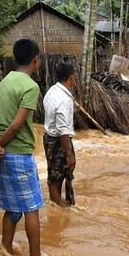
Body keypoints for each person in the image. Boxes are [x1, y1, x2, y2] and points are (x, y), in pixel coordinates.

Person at [0, 39, 46, 256]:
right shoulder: (30, 86)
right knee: (32, 207)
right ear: (35, 60)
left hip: (2, 156)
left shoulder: (3, 84)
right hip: (19, 154)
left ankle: (6, 250)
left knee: (11, 207)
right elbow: (16, 126)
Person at [43, 62, 77, 206]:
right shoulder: (63, 98)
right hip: (59, 141)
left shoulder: (52, 90)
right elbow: (62, 129)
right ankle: (58, 208)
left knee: (54, 176)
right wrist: (69, 154)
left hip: (50, 138)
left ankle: (57, 207)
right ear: (71, 78)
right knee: (57, 178)